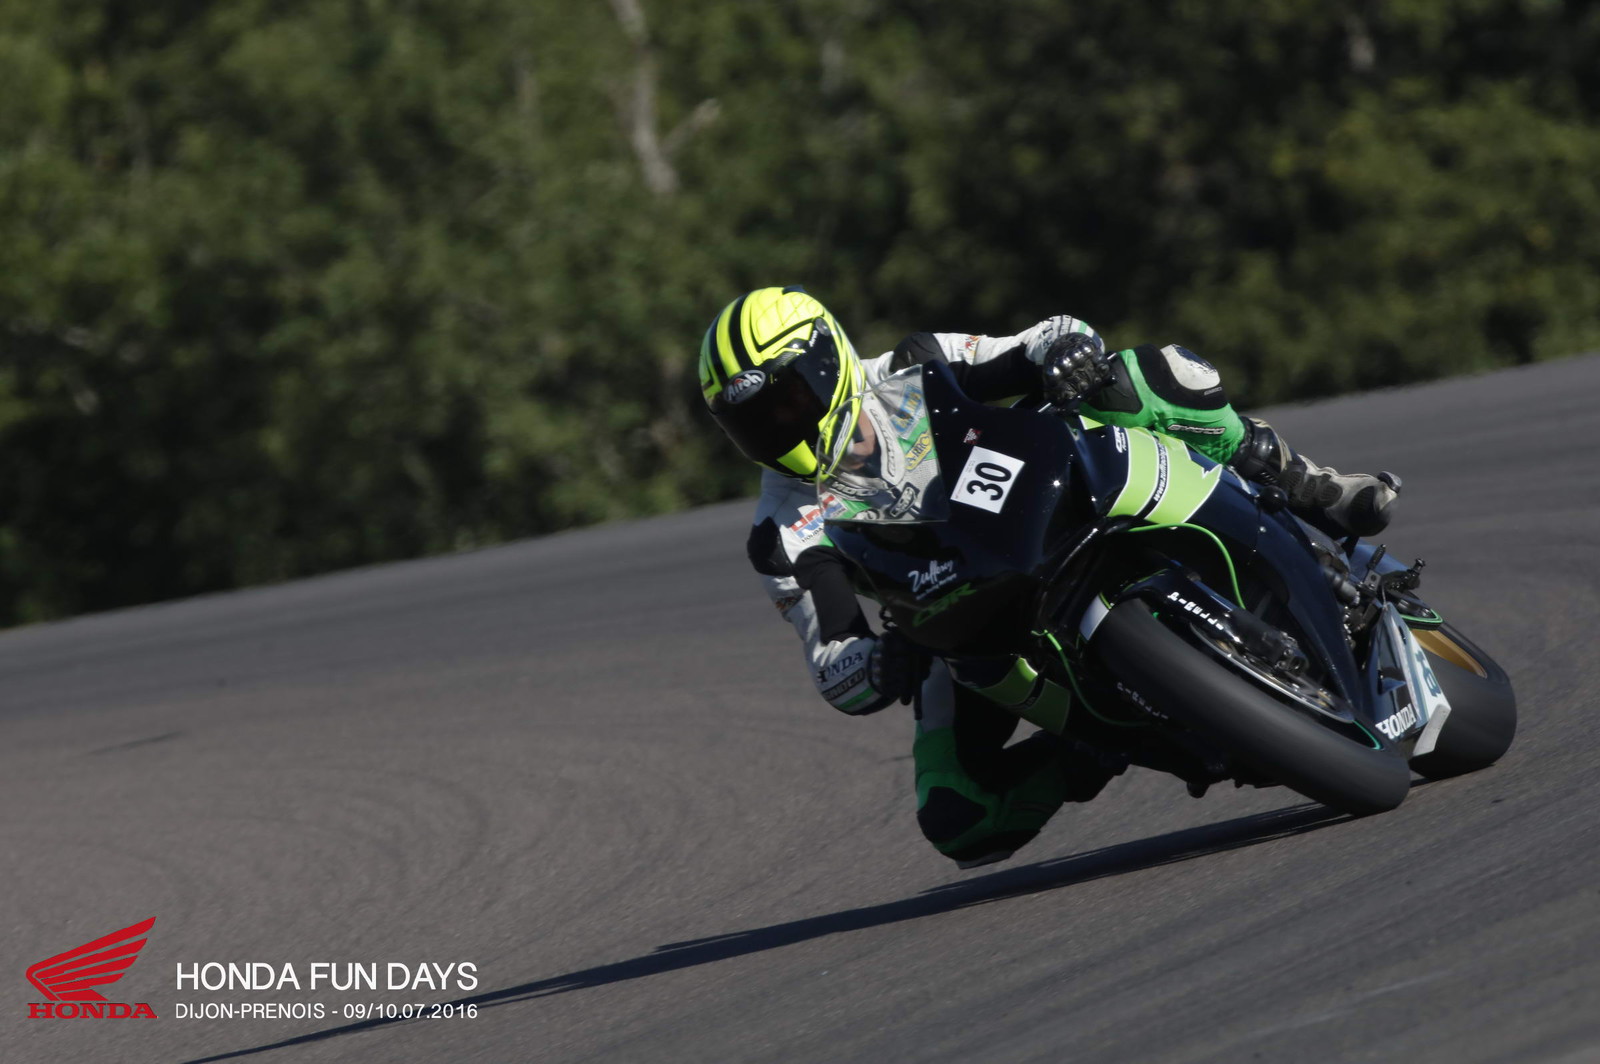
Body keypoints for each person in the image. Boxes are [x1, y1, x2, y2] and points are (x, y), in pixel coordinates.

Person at [697, 285, 1398, 868]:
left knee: (1141, 377)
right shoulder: (783, 530)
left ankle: (1305, 483)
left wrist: (1065, 351)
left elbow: (1038, 340)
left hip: (1042, 500)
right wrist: (880, 661)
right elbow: (830, 659)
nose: (776, 429)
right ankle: (1092, 746)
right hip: (962, 622)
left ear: (827, 360)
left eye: (785, 402)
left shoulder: (910, 366)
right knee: (958, 816)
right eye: (751, 424)